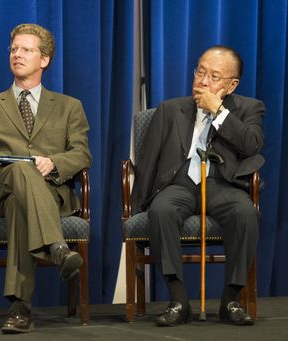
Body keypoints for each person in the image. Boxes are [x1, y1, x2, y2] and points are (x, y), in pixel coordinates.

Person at [0, 23, 92, 333]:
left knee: (19, 206)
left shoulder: (69, 107)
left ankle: (20, 308)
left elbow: (81, 155)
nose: (17, 55)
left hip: (47, 192)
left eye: (26, 50)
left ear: (45, 59)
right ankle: (57, 248)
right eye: (14, 49)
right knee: (20, 171)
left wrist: (52, 162)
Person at [131, 46, 265, 326]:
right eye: (200, 72)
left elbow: (251, 144)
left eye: (214, 76)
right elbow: (148, 161)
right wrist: (137, 206)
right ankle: (178, 299)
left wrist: (218, 111)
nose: (203, 81)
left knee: (245, 213)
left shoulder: (249, 108)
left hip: (222, 184)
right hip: (178, 183)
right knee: (162, 210)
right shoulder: (170, 109)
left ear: (232, 85)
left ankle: (231, 299)